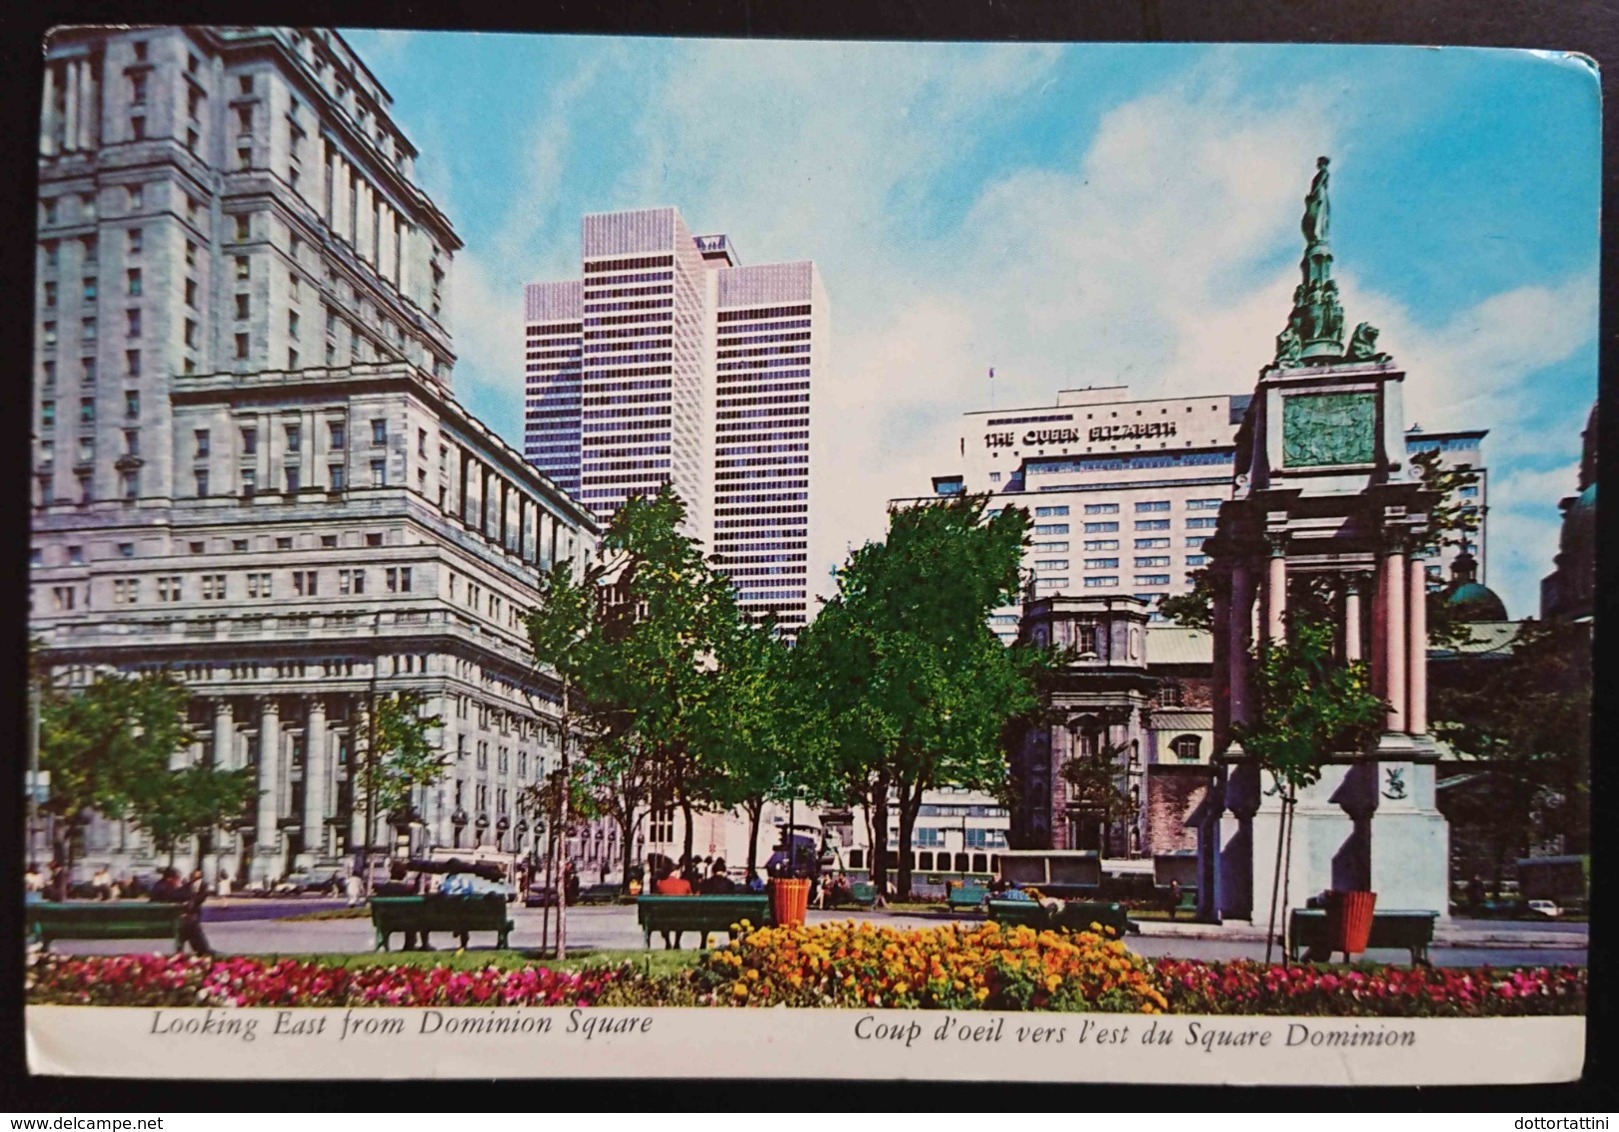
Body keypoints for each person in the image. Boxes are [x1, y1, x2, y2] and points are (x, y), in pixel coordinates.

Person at [149, 867, 215, 957]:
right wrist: (188, 886)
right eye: (177, 878)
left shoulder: (159, 886)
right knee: (191, 924)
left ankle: (201, 950)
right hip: (165, 925)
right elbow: (182, 895)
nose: (179, 880)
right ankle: (204, 950)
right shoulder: (163, 888)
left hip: (159, 922)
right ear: (170, 879)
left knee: (189, 923)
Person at [651, 862, 693, 950]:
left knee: (664, 915)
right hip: (681, 917)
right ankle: (677, 942)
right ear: (677, 872)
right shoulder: (685, 883)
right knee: (681, 915)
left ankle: (668, 942)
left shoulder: (660, 884)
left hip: (665, 917)